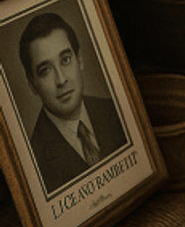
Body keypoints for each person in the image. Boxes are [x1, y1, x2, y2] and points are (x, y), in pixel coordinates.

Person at [20, 12, 127, 194]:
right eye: (45, 70)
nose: (61, 80)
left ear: (80, 60)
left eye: (66, 60)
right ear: (32, 84)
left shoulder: (116, 111)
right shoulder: (34, 163)